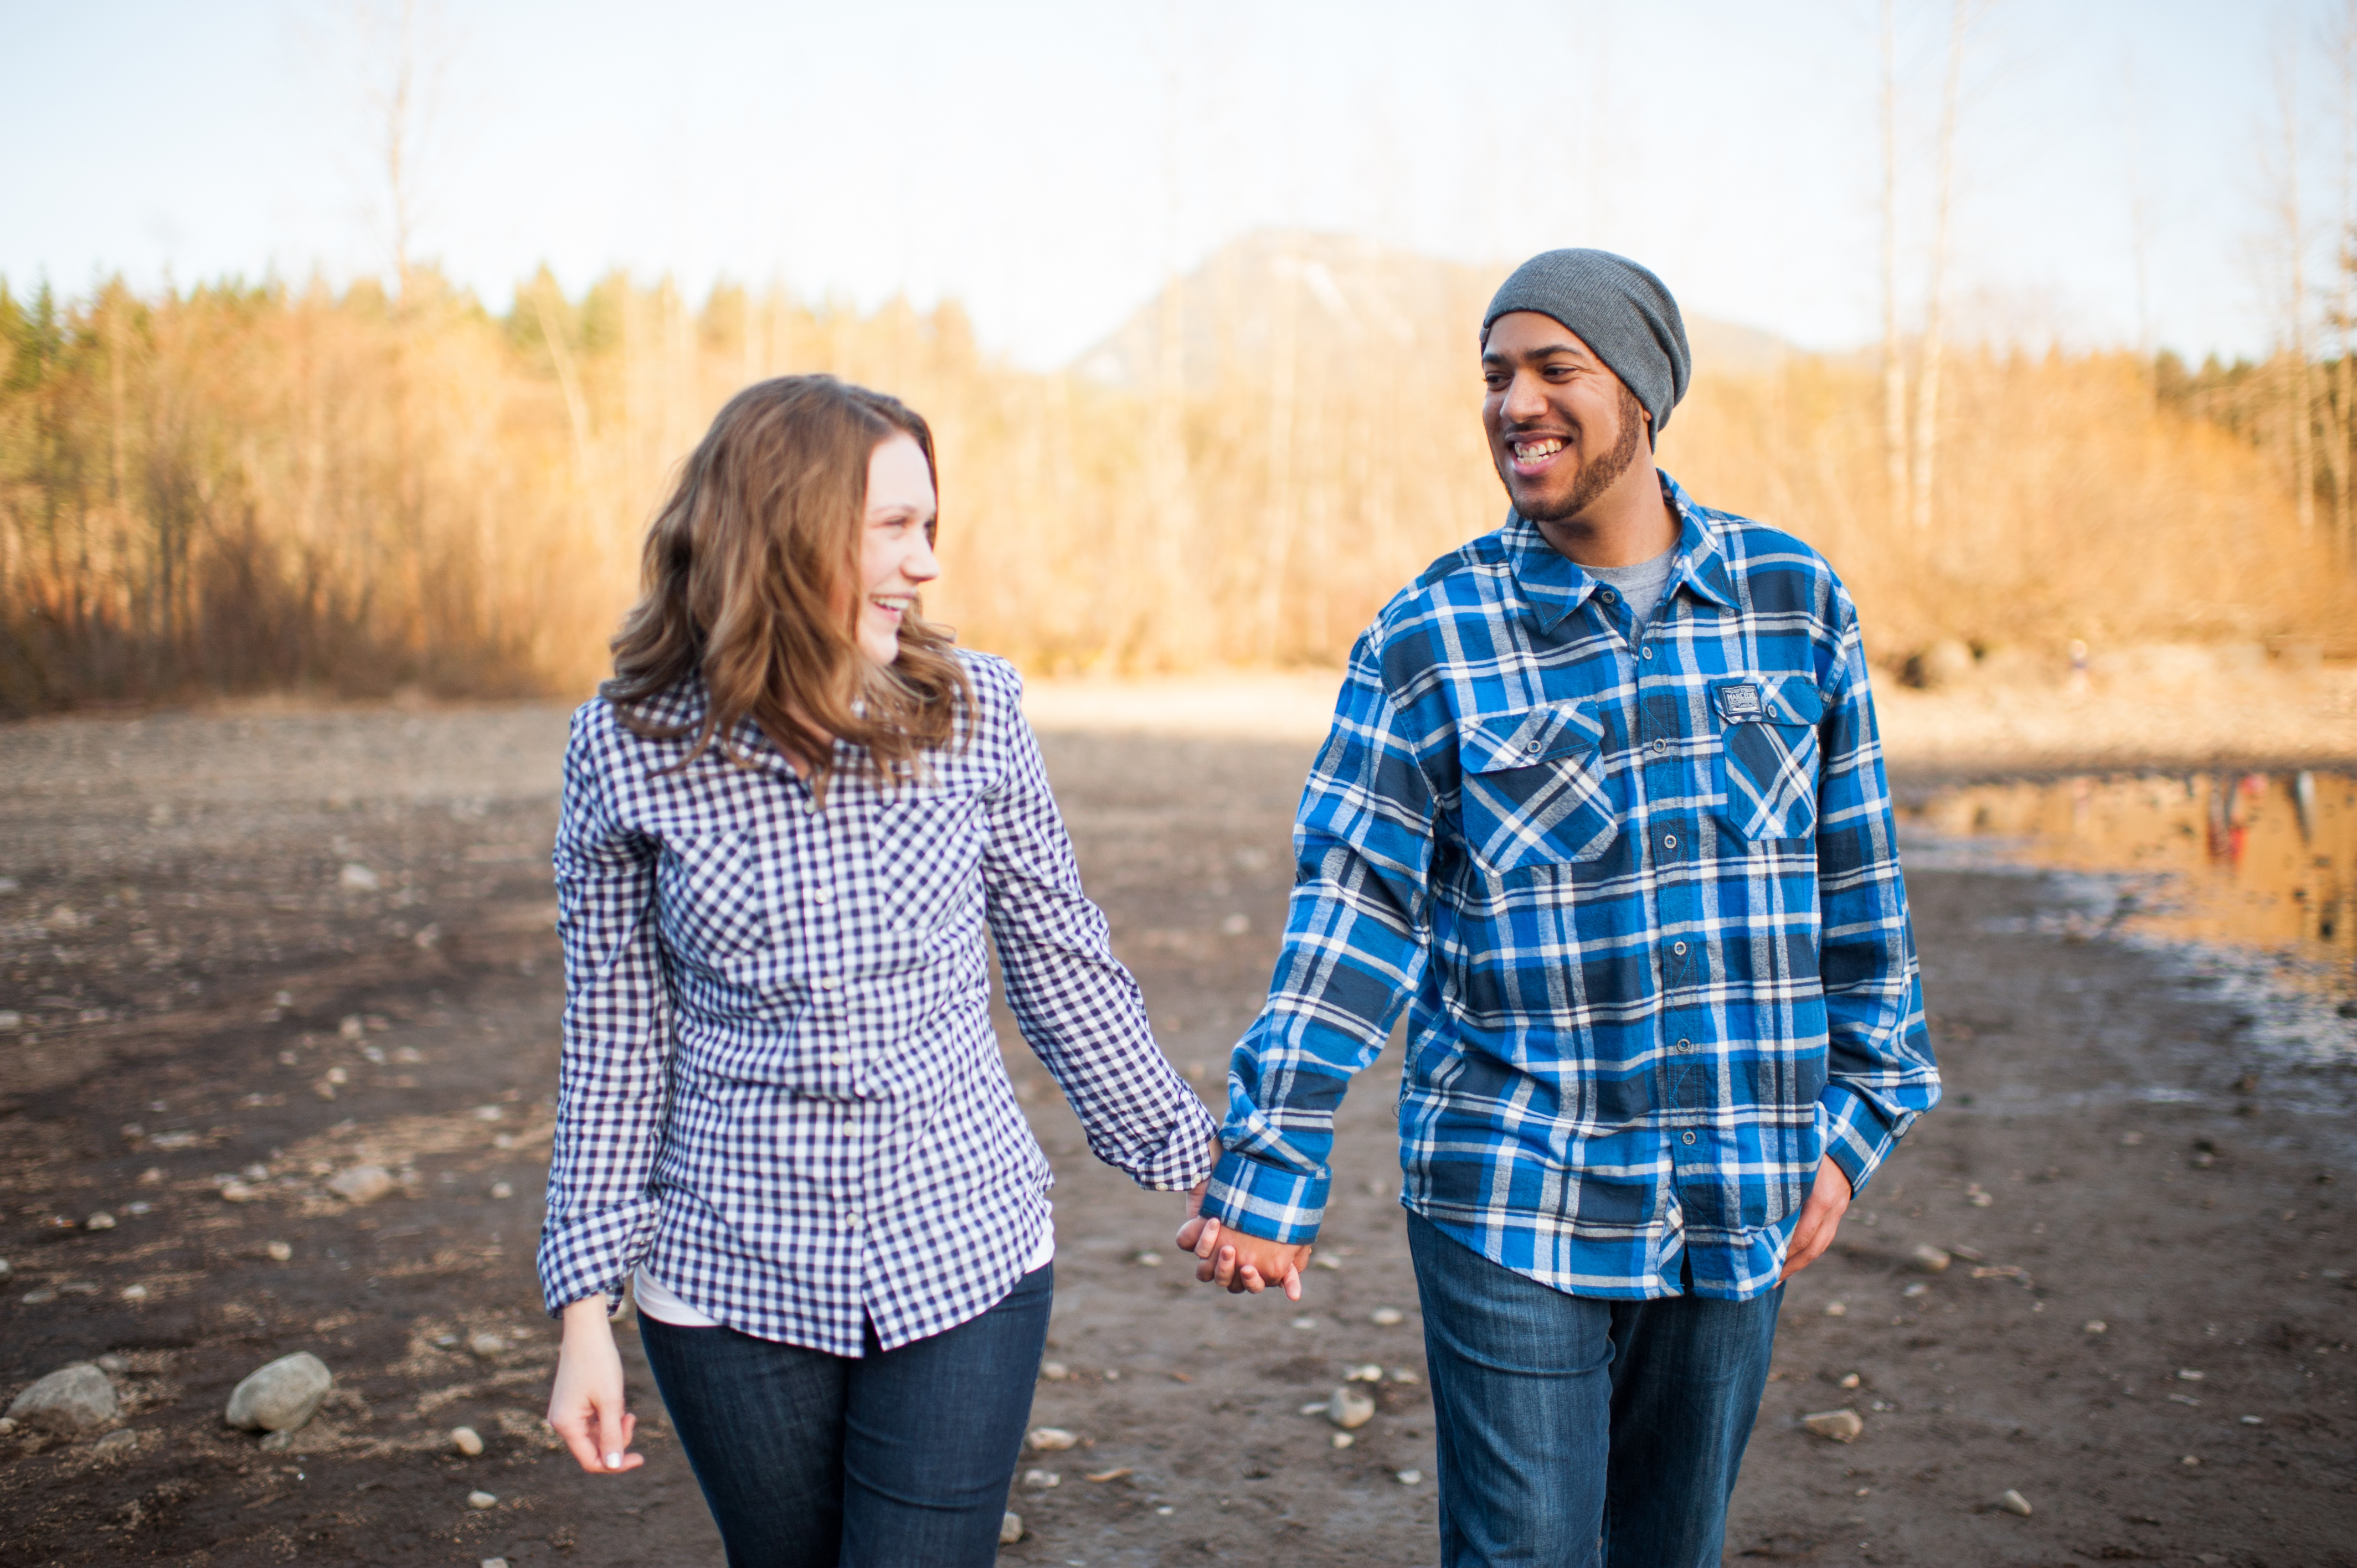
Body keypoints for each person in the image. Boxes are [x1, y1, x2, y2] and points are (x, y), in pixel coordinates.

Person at [1176, 250, 1941, 1567]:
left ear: (1641, 390)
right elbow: (1353, 912)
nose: (1513, 402)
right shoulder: (1431, 633)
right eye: (1493, 375)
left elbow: (1858, 892)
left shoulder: (1793, 604)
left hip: (1739, 1186)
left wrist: (1856, 1121)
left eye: (1552, 367)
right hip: (1510, 1183)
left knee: (1670, 1551)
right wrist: (1276, 1153)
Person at [538, 375, 1217, 1567]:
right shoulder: (626, 747)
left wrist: (1197, 1164)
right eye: (895, 529)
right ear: (786, 536)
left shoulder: (975, 710)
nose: (928, 564)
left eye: (930, 526)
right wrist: (582, 1311)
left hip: (962, 1250)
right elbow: (614, 1043)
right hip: (726, 1273)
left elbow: (1059, 959)